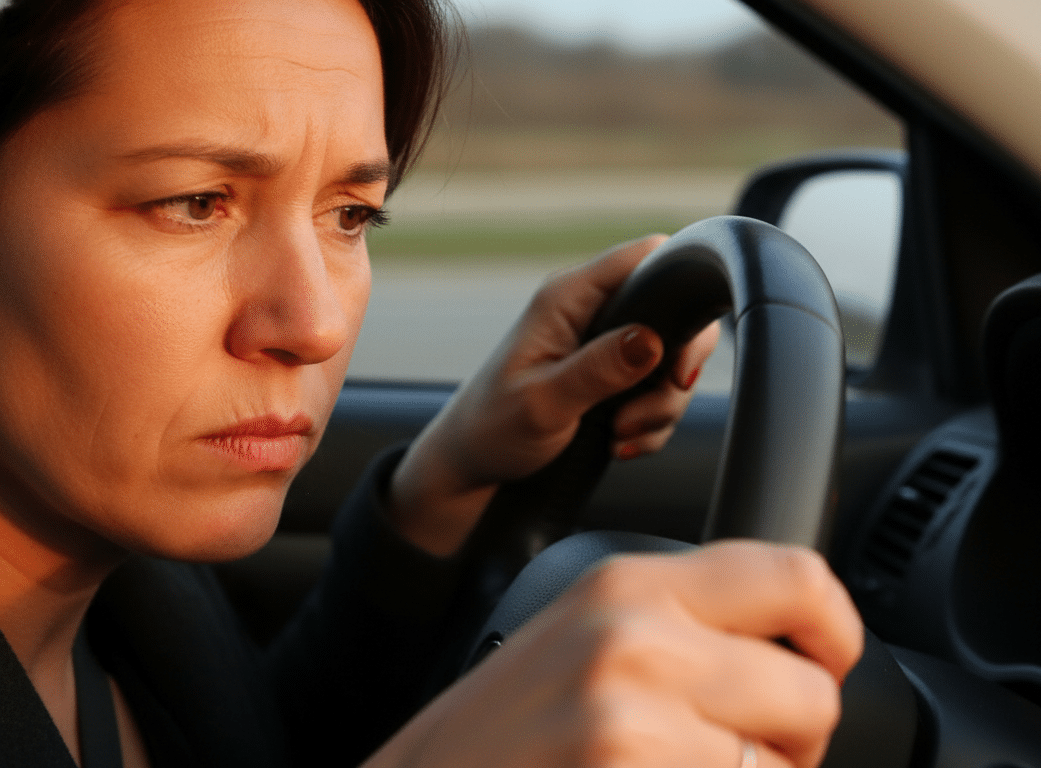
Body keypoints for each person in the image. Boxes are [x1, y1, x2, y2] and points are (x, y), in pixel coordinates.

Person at [0, 0, 864, 767]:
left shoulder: (135, 597)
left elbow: (261, 736)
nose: (316, 325)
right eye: (195, 202)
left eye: (349, 215)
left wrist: (448, 476)